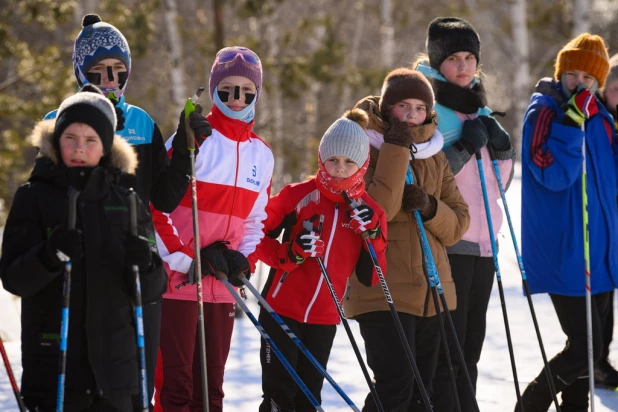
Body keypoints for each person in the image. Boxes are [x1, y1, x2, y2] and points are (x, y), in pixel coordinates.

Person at [44, 14, 199, 410]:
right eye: (98, 72)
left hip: (135, 263)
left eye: (117, 71)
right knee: (82, 383)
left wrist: (184, 147)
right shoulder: (59, 124)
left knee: (134, 384)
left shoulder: (142, 124)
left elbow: (163, 197)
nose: (109, 81)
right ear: (80, 73)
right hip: (81, 266)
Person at [0, 85, 166, 412]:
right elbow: (13, 278)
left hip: (115, 372)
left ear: (105, 147)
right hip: (54, 366)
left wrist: (145, 263)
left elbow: (154, 285)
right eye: (70, 138)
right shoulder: (33, 197)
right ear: (56, 140)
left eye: (90, 140)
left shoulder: (127, 202)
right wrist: (50, 255)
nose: (79, 148)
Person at [151, 46, 274, 412]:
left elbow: (256, 220)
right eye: (227, 90)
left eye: (246, 91)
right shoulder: (192, 141)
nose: (237, 98)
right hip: (180, 281)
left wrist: (241, 259)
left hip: (220, 286)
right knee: (176, 390)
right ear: (214, 89)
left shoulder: (261, 154)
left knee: (212, 392)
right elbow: (158, 209)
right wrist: (187, 259)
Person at [343, 67, 470, 411]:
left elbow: (458, 224)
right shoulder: (360, 144)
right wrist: (396, 149)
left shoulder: (434, 153)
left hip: (431, 290)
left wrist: (430, 207)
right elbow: (376, 212)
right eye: (403, 106)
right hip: (381, 286)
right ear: (386, 108)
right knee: (394, 387)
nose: (411, 115)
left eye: (419, 108)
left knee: (422, 392)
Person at [250, 109, 388, 411]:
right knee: (278, 397)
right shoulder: (298, 195)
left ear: (362, 164)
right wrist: (290, 253)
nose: (339, 169)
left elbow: (372, 275)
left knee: (308, 398)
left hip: (324, 317)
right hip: (280, 310)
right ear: (321, 158)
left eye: (349, 161)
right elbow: (255, 233)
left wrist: (373, 234)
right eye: (333, 160)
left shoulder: (371, 211)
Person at [414, 17, 516, 411]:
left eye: (469, 57)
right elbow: (426, 181)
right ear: (437, 62)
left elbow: (497, 186)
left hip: (484, 245)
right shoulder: (431, 108)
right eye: (453, 57)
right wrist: (464, 149)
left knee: (470, 349)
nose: (463, 65)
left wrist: (503, 152)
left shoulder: (478, 106)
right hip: (449, 242)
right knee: (448, 350)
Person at [518, 33, 618, 411]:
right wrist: (570, 124)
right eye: (572, 73)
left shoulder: (601, 117)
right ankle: (531, 402)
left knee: (593, 349)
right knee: (585, 348)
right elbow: (553, 175)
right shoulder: (546, 112)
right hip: (566, 250)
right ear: (560, 73)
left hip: (603, 252)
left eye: (588, 78)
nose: (579, 83)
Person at [595, 52, 618, 389]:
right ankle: (594, 361)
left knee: (608, 294)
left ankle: (601, 359)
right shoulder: (595, 116)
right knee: (596, 297)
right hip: (598, 218)